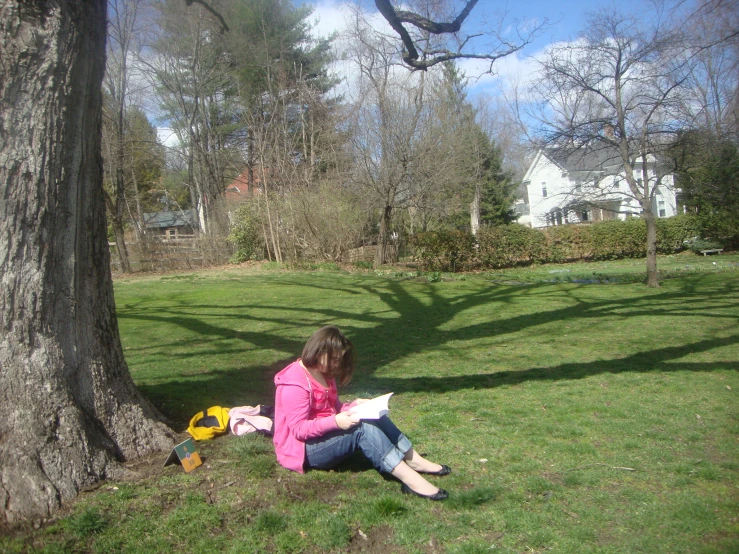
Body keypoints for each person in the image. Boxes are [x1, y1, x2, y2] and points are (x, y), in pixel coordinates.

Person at [273, 325, 451, 500]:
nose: (336, 364)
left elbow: (332, 409)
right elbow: (299, 429)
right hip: (305, 451)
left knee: (371, 415)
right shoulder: (295, 383)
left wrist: (353, 406)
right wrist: (335, 422)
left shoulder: (324, 372)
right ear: (318, 351)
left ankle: (413, 459)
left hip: (324, 435)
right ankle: (411, 480)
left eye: (339, 359)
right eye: (334, 359)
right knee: (362, 429)